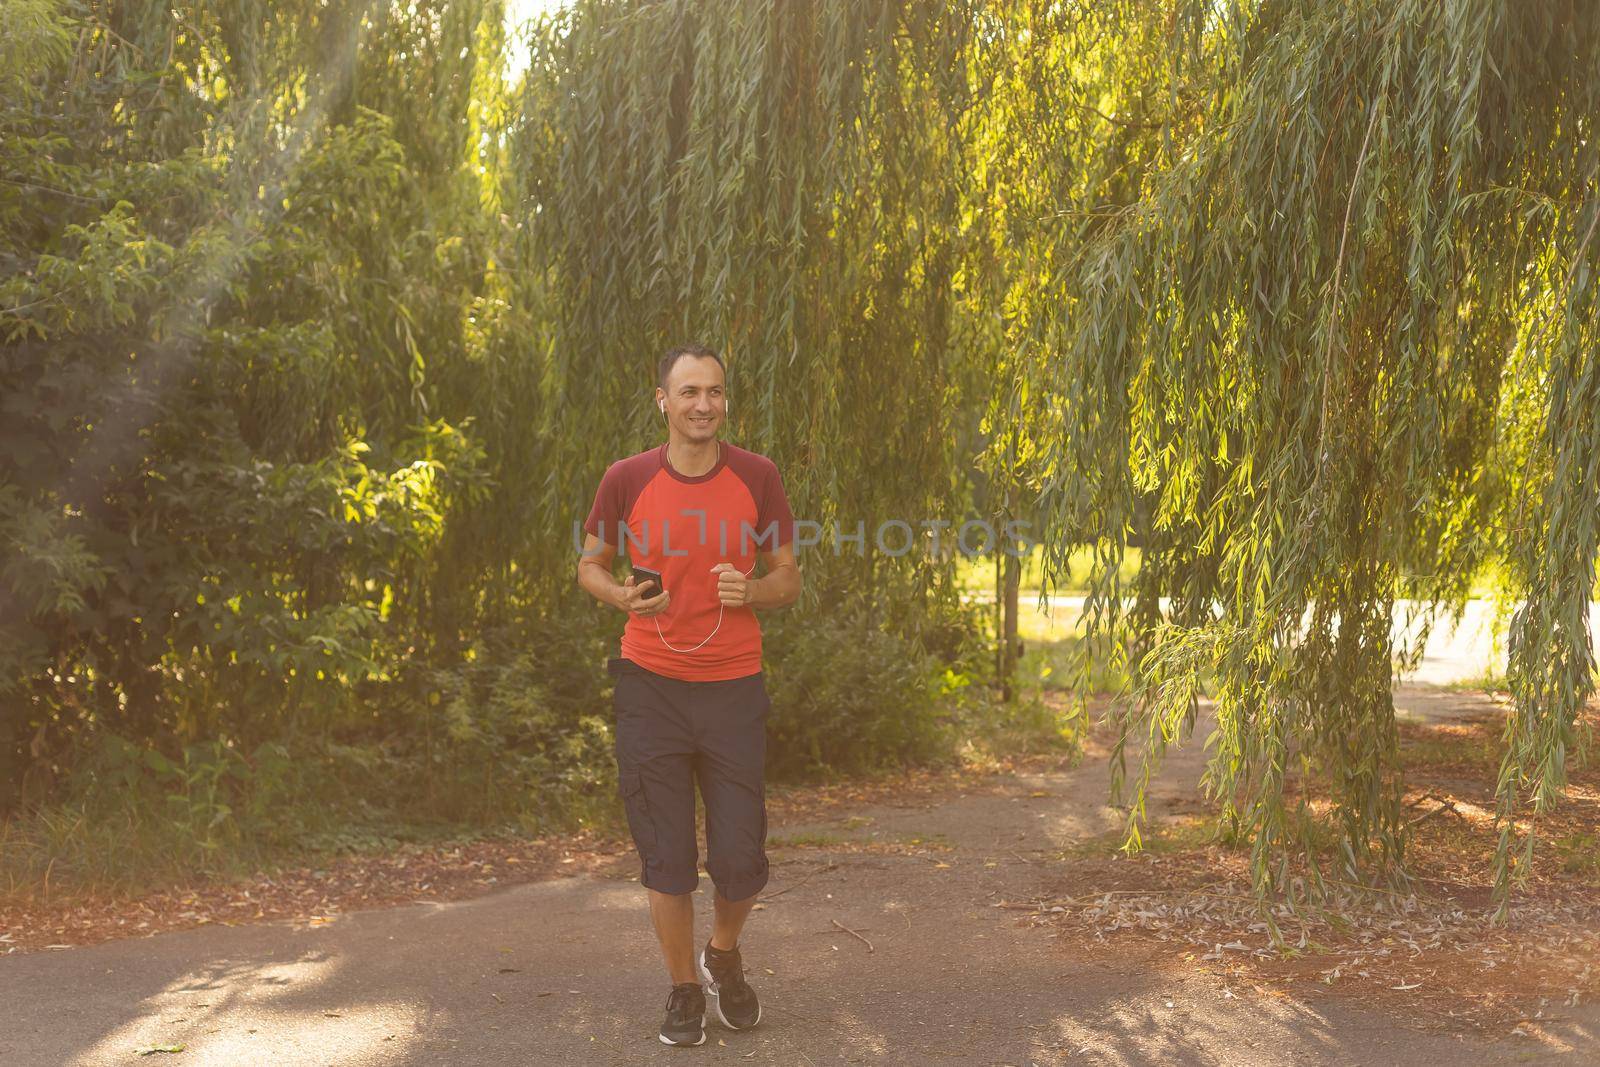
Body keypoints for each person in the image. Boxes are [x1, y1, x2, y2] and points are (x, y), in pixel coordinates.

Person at [576, 342, 802, 1047]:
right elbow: (590, 563)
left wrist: (754, 590)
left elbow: (788, 577)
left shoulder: (758, 477)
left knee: (740, 856)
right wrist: (620, 596)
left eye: (715, 391)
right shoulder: (627, 478)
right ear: (663, 401)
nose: (703, 403)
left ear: (724, 401)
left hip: (734, 687)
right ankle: (682, 990)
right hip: (650, 687)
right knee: (666, 855)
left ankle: (724, 954)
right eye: (690, 391)